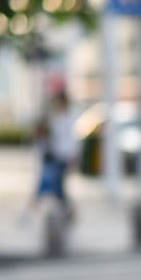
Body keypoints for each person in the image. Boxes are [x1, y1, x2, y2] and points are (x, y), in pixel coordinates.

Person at [33, 90, 79, 221]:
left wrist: (72, 157)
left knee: (59, 185)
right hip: (56, 155)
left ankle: (67, 210)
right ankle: (66, 210)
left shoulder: (69, 118)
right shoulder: (57, 117)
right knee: (58, 185)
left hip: (64, 156)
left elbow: (71, 140)